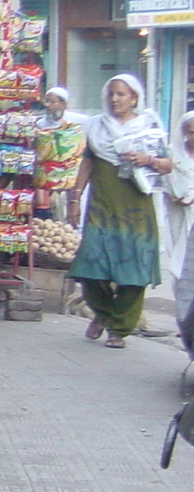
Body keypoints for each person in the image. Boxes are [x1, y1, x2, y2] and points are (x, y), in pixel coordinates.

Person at [69, 74, 165, 349]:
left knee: (134, 274)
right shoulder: (97, 126)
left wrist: (149, 159)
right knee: (91, 268)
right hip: (102, 208)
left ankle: (119, 329)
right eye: (111, 94)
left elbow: (168, 164)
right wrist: (75, 198)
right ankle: (103, 313)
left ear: (134, 97)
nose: (114, 99)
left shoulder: (148, 125)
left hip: (137, 210)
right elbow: (87, 163)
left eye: (121, 94)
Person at [162, 111, 194, 357]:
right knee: (179, 269)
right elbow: (164, 182)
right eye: (191, 131)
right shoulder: (174, 156)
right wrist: (173, 195)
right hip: (178, 217)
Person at [35, 86, 87, 223]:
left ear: (63, 104)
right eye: (46, 101)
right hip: (47, 181)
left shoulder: (77, 122)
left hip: (70, 180)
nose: (47, 105)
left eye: (52, 102)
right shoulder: (40, 124)